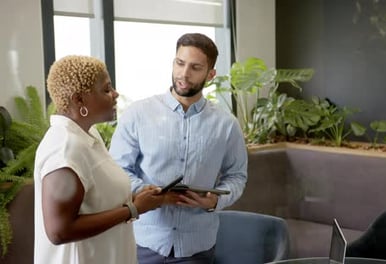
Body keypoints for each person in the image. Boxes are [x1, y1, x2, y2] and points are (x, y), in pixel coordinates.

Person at [109, 33, 248, 264]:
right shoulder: (138, 114)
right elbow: (118, 169)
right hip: (144, 242)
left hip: (197, 247)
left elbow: (237, 176)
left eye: (195, 67)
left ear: (210, 74)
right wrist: (148, 193)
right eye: (180, 63)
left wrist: (214, 201)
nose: (184, 74)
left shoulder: (226, 125)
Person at [34, 55, 166, 264]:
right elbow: (59, 231)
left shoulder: (89, 135)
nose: (115, 94)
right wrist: (133, 209)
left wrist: (136, 199)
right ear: (79, 100)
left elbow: (96, 200)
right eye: (106, 89)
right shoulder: (65, 150)